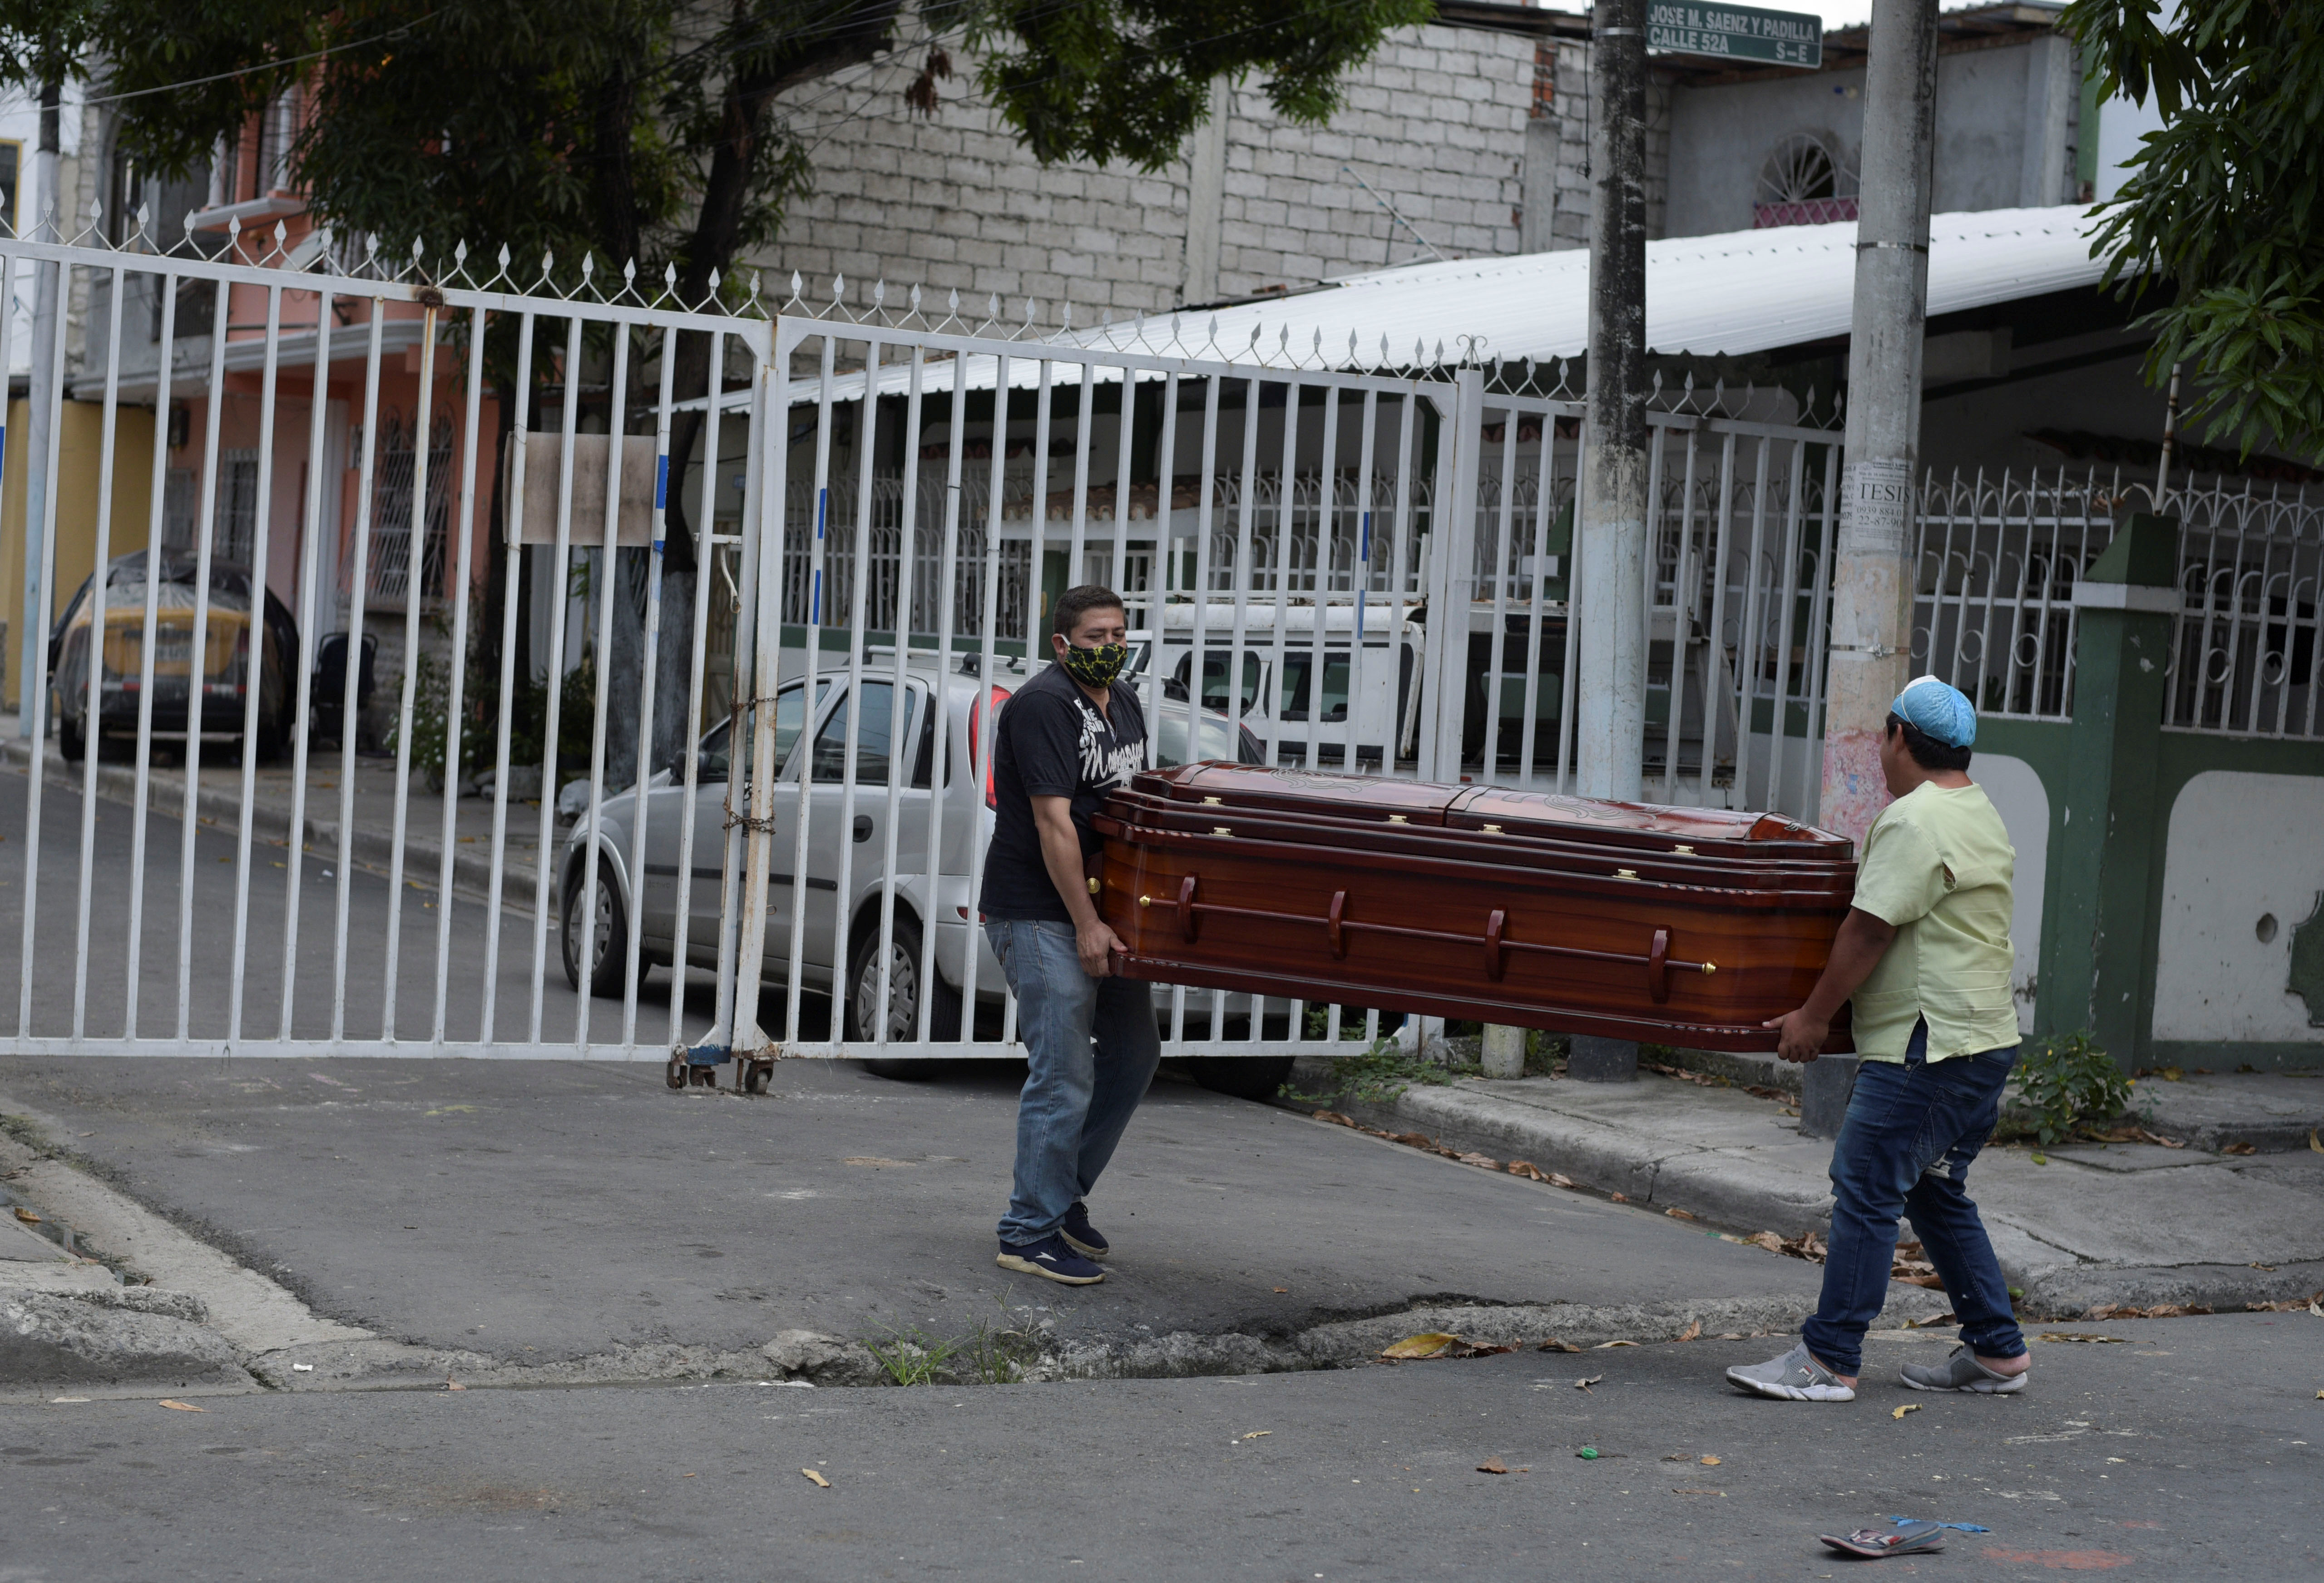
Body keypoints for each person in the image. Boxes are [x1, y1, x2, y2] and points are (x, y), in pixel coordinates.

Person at [1727, 675, 2029, 1403]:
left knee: (1864, 1183)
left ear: (1897, 736)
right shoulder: (1977, 808)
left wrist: (1809, 1016)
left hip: (1928, 1045)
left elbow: (1867, 930)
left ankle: (1829, 1358)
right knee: (1933, 1190)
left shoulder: (1912, 820)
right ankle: (1996, 1351)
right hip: (1984, 1038)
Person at [978, 585, 1159, 1286]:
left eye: (1117, 633)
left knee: (1135, 1051)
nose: (1109, 646)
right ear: (1062, 643)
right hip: (1037, 909)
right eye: (1093, 636)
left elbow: (1131, 797)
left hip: (1102, 906)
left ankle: (1059, 1197)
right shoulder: (1043, 706)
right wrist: (1085, 923)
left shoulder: (1127, 699)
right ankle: (1026, 1231)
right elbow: (1055, 824)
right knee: (1063, 1071)